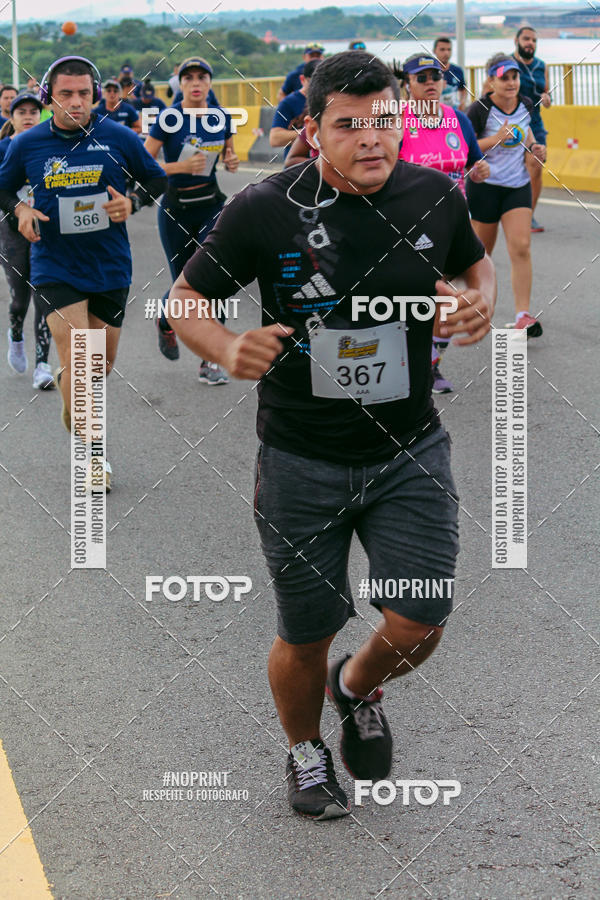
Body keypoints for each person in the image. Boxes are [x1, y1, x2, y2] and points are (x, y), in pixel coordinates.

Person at [167, 50, 495, 821]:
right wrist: (227, 348)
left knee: (420, 620)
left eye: (384, 121)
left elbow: (474, 269)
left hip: (408, 448)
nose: (371, 138)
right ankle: (305, 750)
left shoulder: (433, 196)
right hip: (300, 458)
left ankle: (355, 685)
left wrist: (477, 302)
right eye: (349, 125)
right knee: (306, 631)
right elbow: (185, 300)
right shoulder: (266, 208)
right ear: (313, 131)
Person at [0, 55, 167, 489]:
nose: (76, 102)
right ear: (48, 98)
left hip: (110, 265)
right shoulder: (27, 144)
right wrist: (19, 209)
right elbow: (2, 187)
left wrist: (132, 202)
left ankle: (68, 383)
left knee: (99, 367)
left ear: (94, 95)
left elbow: (156, 179)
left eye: (84, 94)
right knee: (81, 359)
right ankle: (93, 457)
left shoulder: (118, 137)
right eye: (66, 94)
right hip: (54, 264)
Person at [399, 53, 490, 394]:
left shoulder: (458, 119)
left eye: (435, 77)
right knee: (421, 295)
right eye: (421, 78)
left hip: (453, 221)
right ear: (407, 84)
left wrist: (480, 171)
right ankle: (411, 360)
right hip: (409, 223)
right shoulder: (396, 121)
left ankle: (431, 362)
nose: (430, 83)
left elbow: (475, 163)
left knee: (446, 294)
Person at [144, 56, 239, 384]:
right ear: (180, 84)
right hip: (176, 209)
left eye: (202, 77)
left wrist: (231, 160)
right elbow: (144, 165)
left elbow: (229, 154)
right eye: (189, 78)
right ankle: (165, 320)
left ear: (210, 82)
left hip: (211, 204)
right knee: (184, 284)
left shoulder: (221, 116)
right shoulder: (168, 118)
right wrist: (180, 167)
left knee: (217, 278)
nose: (196, 83)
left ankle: (211, 359)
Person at [466, 54, 545, 338]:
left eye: (514, 77)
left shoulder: (526, 104)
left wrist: (535, 148)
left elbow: (528, 133)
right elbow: (467, 147)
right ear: (491, 81)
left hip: (517, 185)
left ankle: (523, 315)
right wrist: (495, 138)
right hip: (485, 187)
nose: (511, 83)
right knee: (482, 256)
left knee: (521, 246)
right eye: (504, 78)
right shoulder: (479, 110)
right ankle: (474, 309)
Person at [0, 92, 54, 389]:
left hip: (47, 231)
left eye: (34, 111)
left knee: (44, 296)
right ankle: (16, 335)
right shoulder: (3, 148)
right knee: (20, 300)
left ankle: (42, 365)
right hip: (12, 232)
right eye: (22, 112)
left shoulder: (49, 145)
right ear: (12, 117)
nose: (29, 116)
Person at [512, 26, 551, 232]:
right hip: (512, 123)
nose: (530, 43)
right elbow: (488, 91)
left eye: (534, 40)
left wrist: (547, 99)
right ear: (516, 40)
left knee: (535, 167)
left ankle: (528, 216)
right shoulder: (508, 64)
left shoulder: (541, 66)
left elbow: (547, 95)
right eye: (526, 39)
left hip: (535, 124)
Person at [269, 59, 320, 157]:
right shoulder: (289, 102)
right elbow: (274, 139)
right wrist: (309, 132)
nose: (319, 87)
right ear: (302, 79)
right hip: (297, 162)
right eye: (314, 82)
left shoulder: (331, 100)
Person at [433, 37, 467, 111]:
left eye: (449, 50)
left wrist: (463, 102)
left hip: (454, 112)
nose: (446, 53)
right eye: (442, 49)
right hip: (435, 112)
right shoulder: (429, 71)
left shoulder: (457, 70)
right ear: (434, 51)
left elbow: (463, 89)